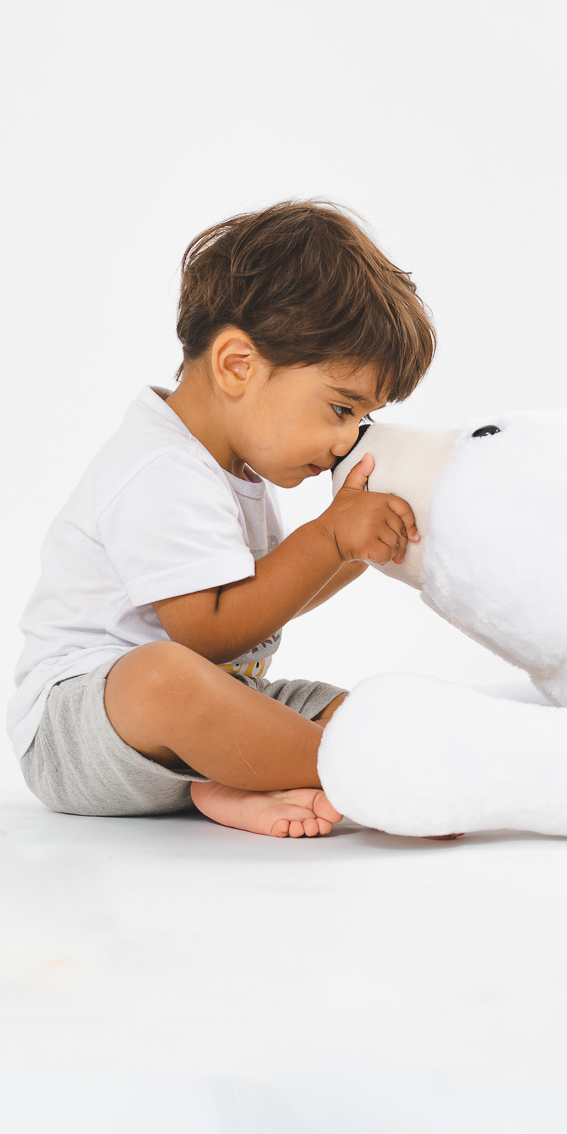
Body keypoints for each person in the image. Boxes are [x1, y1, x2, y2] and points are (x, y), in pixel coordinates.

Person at [10, 199, 436, 839]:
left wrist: (356, 551)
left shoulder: (234, 468)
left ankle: (237, 781)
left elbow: (262, 604)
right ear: (238, 365)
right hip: (80, 730)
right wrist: (327, 539)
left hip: (209, 702)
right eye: (341, 409)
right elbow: (205, 635)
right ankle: (372, 775)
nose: (348, 440)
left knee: (356, 710)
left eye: (361, 419)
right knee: (163, 676)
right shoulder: (161, 466)